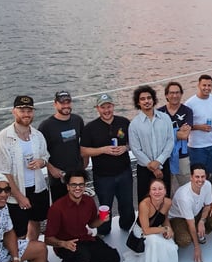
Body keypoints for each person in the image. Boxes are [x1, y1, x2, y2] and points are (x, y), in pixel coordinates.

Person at [45, 170, 121, 262]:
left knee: (114, 259)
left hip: (84, 238)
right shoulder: (57, 208)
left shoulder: (89, 201)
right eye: (74, 185)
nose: (77, 188)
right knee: (83, 256)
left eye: (81, 184)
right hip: (66, 244)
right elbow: (48, 239)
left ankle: (90, 255)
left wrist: (101, 220)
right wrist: (63, 244)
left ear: (85, 186)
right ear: (68, 187)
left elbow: (91, 224)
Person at [0, 96, 50, 241]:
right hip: (16, 193)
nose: (26, 114)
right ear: (14, 112)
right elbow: (3, 172)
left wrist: (41, 162)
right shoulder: (2, 139)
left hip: (38, 188)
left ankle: (33, 252)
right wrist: (19, 197)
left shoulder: (38, 135)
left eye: (29, 110)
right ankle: (20, 260)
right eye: (22, 110)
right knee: (19, 231)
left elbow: (45, 156)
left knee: (36, 221)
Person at [80, 93, 134, 236]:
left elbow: (133, 142)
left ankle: (127, 227)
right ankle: (103, 231)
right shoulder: (90, 128)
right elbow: (83, 151)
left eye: (108, 106)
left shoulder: (124, 122)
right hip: (103, 176)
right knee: (105, 207)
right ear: (97, 108)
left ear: (113, 107)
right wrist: (103, 150)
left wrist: (126, 148)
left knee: (127, 204)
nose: (106, 110)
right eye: (103, 107)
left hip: (124, 172)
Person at [167, 164, 212, 262]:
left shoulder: (207, 185)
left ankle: (199, 231)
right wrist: (197, 247)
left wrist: (202, 221)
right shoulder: (184, 197)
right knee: (185, 240)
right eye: (197, 177)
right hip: (178, 217)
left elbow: (207, 205)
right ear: (191, 177)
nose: (200, 180)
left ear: (206, 177)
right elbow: (190, 223)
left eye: (203, 177)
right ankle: (186, 233)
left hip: (196, 212)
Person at [38, 90, 88, 202]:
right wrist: (51, 169)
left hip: (77, 173)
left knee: (78, 204)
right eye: (62, 103)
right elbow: (40, 152)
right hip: (58, 177)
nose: (66, 106)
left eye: (68, 102)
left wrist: (86, 161)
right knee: (61, 208)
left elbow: (84, 142)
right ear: (55, 104)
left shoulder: (77, 120)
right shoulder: (46, 126)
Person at [122, 178, 178, 262]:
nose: (157, 192)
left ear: (165, 191)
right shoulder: (144, 204)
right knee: (153, 241)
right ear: (149, 191)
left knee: (172, 247)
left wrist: (170, 229)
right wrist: (164, 229)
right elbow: (146, 230)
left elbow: (165, 218)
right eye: (154, 189)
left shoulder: (168, 202)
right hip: (142, 232)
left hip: (157, 228)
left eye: (160, 189)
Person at [128, 85, 174, 201]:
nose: (146, 101)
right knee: (145, 199)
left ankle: (164, 219)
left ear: (153, 100)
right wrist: (152, 166)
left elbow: (170, 141)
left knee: (165, 197)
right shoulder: (134, 124)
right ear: (138, 103)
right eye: (142, 99)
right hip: (144, 168)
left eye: (149, 98)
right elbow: (135, 149)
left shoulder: (165, 118)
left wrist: (158, 161)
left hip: (163, 164)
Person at [158, 81, 194, 188]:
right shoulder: (159, 113)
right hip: (164, 155)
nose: (175, 95)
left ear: (181, 94)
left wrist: (166, 132)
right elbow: (158, 136)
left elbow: (184, 135)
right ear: (166, 95)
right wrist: (177, 130)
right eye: (172, 93)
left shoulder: (187, 111)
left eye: (177, 92)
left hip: (182, 156)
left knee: (186, 186)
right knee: (166, 187)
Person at [186, 74, 212, 172]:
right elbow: (184, 126)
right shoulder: (190, 103)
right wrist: (198, 127)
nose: (207, 88)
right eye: (204, 85)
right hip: (196, 147)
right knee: (198, 175)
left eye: (209, 85)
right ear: (198, 85)